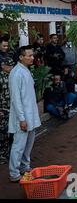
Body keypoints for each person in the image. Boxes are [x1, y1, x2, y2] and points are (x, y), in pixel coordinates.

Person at [8, 45, 41, 182]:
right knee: (19, 145)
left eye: (32, 55)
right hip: (21, 116)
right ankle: (14, 173)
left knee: (28, 144)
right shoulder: (16, 73)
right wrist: (22, 118)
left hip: (31, 114)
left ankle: (25, 166)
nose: (32, 58)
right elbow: (16, 99)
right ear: (21, 57)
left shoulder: (26, 70)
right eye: (29, 55)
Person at [0, 36, 15, 164]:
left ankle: (9, 153)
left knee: (10, 131)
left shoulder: (12, 76)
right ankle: (2, 155)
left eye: (6, 46)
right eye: (3, 46)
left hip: (11, 104)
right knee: (2, 132)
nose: (9, 67)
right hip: (2, 107)